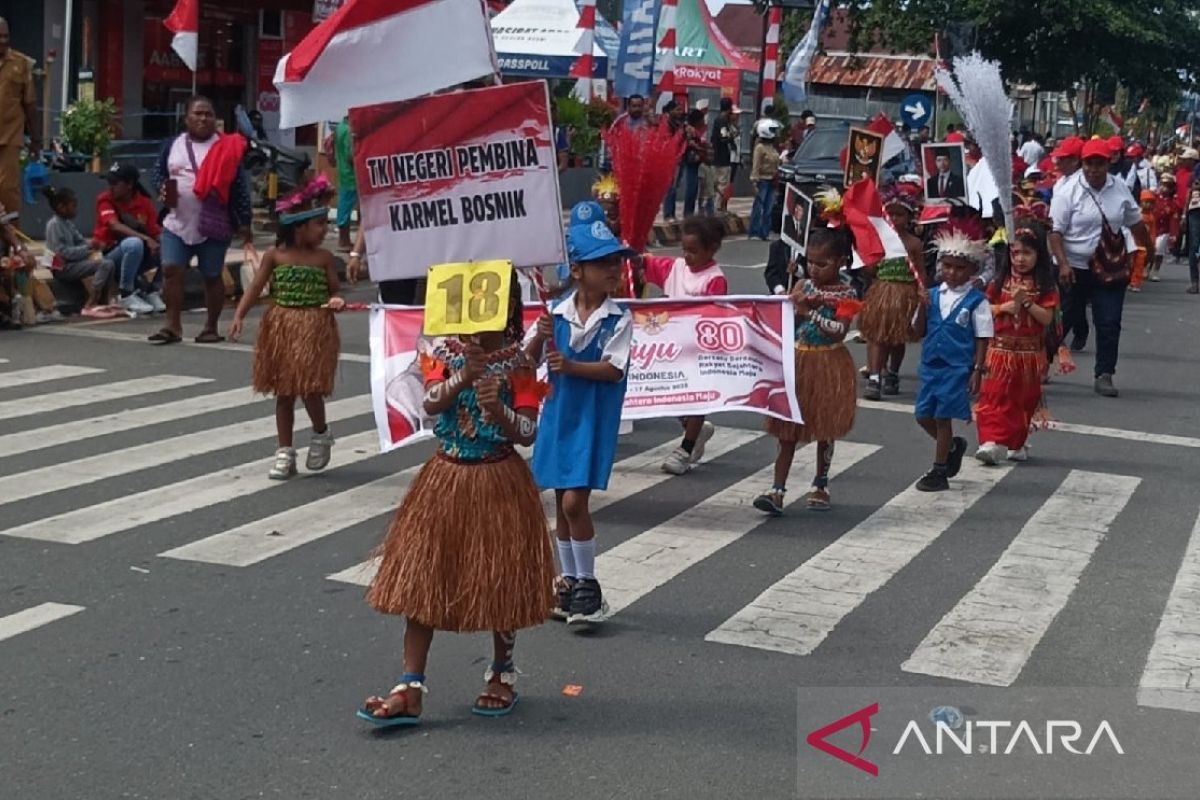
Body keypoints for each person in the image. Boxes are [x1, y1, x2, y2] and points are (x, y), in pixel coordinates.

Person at [359, 266, 555, 725]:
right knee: (423, 578)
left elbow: (527, 432)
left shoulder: (519, 364)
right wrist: (465, 377)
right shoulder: (439, 352)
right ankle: (410, 684)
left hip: (497, 476)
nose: (471, 323)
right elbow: (430, 403)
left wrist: (500, 412)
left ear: (502, 310)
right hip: (445, 476)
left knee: (501, 578)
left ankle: (502, 673)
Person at [527, 208, 634, 626]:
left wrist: (569, 366)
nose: (614, 269)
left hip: (592, 418)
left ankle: (590, 585)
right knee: (560, 502)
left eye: (616, 261)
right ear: (576, 270)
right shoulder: (554, 313)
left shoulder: (617, 318)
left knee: (575, 501)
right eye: (604, 262)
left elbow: (613, 369)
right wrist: (537, 337)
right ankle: (569, 580)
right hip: (557, 414)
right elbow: (526, 361)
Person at [229, 177, 344, 480]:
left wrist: (336, 300)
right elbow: (255, 287)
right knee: (284, 392)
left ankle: (320, 433)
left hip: (314, 327)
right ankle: (285, 452)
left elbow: (335, 289)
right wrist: (240, 314)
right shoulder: (275, 256)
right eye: (320, 225)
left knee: (310, 389)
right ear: (299, 227)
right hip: (281, 325)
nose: (325, 231)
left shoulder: (324, 258)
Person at [754, 227, 859, 514]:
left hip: (828, 362)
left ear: (841, 261)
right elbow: (788, 322)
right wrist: (791, 301)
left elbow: (839, 331)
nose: (813, 268)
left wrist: (808, 311)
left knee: (825, 427)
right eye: (810, 261)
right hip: (799, 360)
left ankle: (821, 483)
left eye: (822, 263)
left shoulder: (848, 293)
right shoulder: (801, 285)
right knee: (787, 430)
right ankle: (777, 489)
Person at [1048, 138, 1150, 397]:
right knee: (1063, 320)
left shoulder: (1120, 189)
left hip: (1109, 267)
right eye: (1089, 163)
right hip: (1073, 266)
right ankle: (1043, 361)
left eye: (1099, 164)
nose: (1094, 169)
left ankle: (1104, 374)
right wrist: (1063, 264)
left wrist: (1145, 252)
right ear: (1082, 164)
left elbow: (1136, 223)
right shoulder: (1067, 191)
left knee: (1109, 321)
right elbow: (1055, 232)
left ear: (1108, 164)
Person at [150, 95, 252, 345]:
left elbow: (239, 186)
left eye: (208, 114)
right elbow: (158, 175)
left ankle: (210, 327)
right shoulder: (171, 145)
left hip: (214, 224)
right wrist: (165, 192)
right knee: (171, 270)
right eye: (197, 113)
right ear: (186, 118)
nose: (203, 118)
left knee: (212, 275)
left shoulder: (227, 146)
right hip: (176, 223)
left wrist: (244, 222)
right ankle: (172, 326)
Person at [637, 216, 728, 475]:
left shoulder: (714, 279)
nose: (687, 256)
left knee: (695, 397)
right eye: (684, 250)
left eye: (694, 251)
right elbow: (644, 263)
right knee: (668, 394)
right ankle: (693, 427)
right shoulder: (675, 267)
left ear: (711, 250)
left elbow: (714, 315)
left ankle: (686, 448)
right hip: (670, 347)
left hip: (698, 350)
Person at [912, 222, 993, 492]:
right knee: (923, 415)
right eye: (947, 266)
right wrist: (921, 307)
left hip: (957, 367)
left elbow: (983, 336)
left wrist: (978, 369)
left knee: (942, 416)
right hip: (930, 365)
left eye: (959, 268)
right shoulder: (933, 295)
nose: (952, 272)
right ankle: (952, 447)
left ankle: (939, 471)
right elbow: (917, 330)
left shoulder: (977, 301)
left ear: (972, 271)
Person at [974, 217, 1058, 465]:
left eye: (1027, 253)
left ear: (1038, 255)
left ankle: (1016, 442)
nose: (1020, 258)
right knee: (994, 395)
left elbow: (1046, 318)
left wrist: (1028, 303)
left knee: (1023, 400)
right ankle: (990, 441)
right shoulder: (1000, 282)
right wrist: (1003, 307)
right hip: (999, 352)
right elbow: (983, 310)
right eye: (1016, 252)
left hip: (1029, 356)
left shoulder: (1045, 286)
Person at [860, 184, 925, 400]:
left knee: (898, 338)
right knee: (878, 336)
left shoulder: (914, 243)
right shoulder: (880, 239)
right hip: (882, 291)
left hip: (905, 294)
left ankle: (893, 373)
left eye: (900, 215)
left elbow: (921, 274)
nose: (895, 219)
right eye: (891, 214)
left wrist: (922, 295)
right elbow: (870, 270)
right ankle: (876, 375)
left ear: (909, 217)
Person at [95, 163, 164, 316]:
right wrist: (145, 238)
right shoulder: (105, 200)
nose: (110, 187)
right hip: (114, 256)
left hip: (139, 257)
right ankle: (126, 293)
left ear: (129, 185)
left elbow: (154, 231)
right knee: (134, 243)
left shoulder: (144, 203)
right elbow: (114, 225)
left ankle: (154, 290)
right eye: (109, 183)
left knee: (170, 245)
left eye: (115, 183)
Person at [42, 186, 120, 318]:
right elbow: (62, 253)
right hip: (62, 267)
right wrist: (88, 249)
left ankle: (103, 299)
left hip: (72, 263)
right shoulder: (54, 225)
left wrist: (93, 244)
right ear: (62, 207)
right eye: (73, 206)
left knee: (109, 263)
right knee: (104, 265)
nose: (76, 209)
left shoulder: (67, 224)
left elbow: (80, 241)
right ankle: (92, 301)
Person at [0, 18, 40, 220]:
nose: (3, 40)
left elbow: (30, 104)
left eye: (6, 36)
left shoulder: (21, 63)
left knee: (8, 189)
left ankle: (12, 240)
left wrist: (36, 139)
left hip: (10, 136)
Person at [748, 119, 782, 240]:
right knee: (759, 208)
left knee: (768, 209)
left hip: (772, 181)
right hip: (762, 181)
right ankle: (754, 232)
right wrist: (754, 182)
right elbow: (756, 165)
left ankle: (765, 232)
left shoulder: (772, 148)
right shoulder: (760, 148)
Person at [711, 98, 741, 212]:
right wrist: (733, 135)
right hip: (722, 157)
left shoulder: (717, 119)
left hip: (716, 156)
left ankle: (715, 207)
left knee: (716, 183)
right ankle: (716, 207)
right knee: (722, 183)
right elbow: (724, 137)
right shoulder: (723, 121)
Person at [333, 116, 357, 252]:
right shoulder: (350, 130)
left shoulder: (340, 127)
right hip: (351, 175)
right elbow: (351, 156)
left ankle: (344, 240)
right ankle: (344, 241)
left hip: (342, 172)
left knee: (344, 207)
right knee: (347, 209)